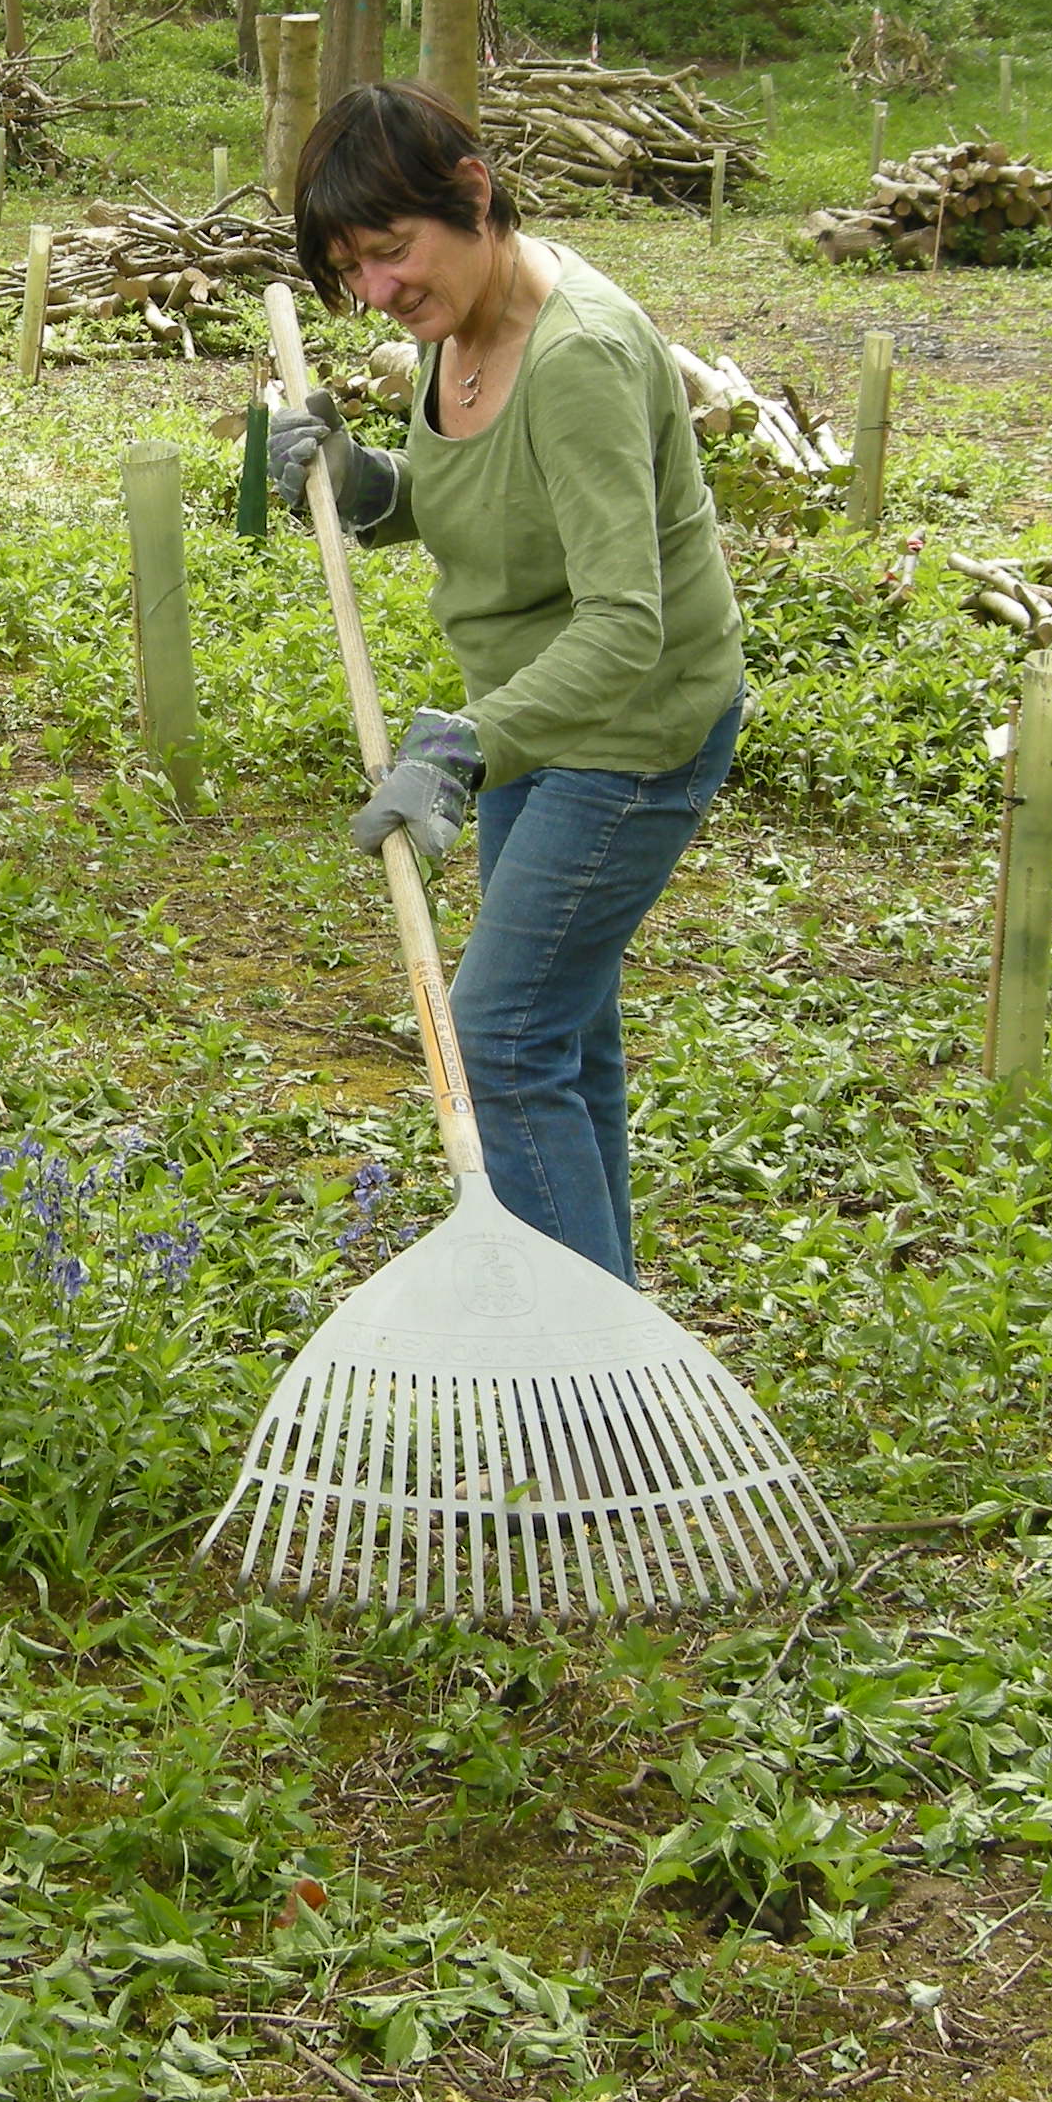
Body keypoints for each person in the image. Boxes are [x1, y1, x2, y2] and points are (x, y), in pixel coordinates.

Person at [268, 79, 744, 1286]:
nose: (378, 291)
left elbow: (624, 627)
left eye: (392, 251)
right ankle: (615, 1335)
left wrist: (465, 743)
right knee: (561, 1033)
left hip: (631, 727)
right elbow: (475, 494)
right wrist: (365, 483)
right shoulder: (456, 327)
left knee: (500, 1037)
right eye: (350, 270)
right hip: (536, 717)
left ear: (471, 196)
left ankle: (583, 1369)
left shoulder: (574, 356)